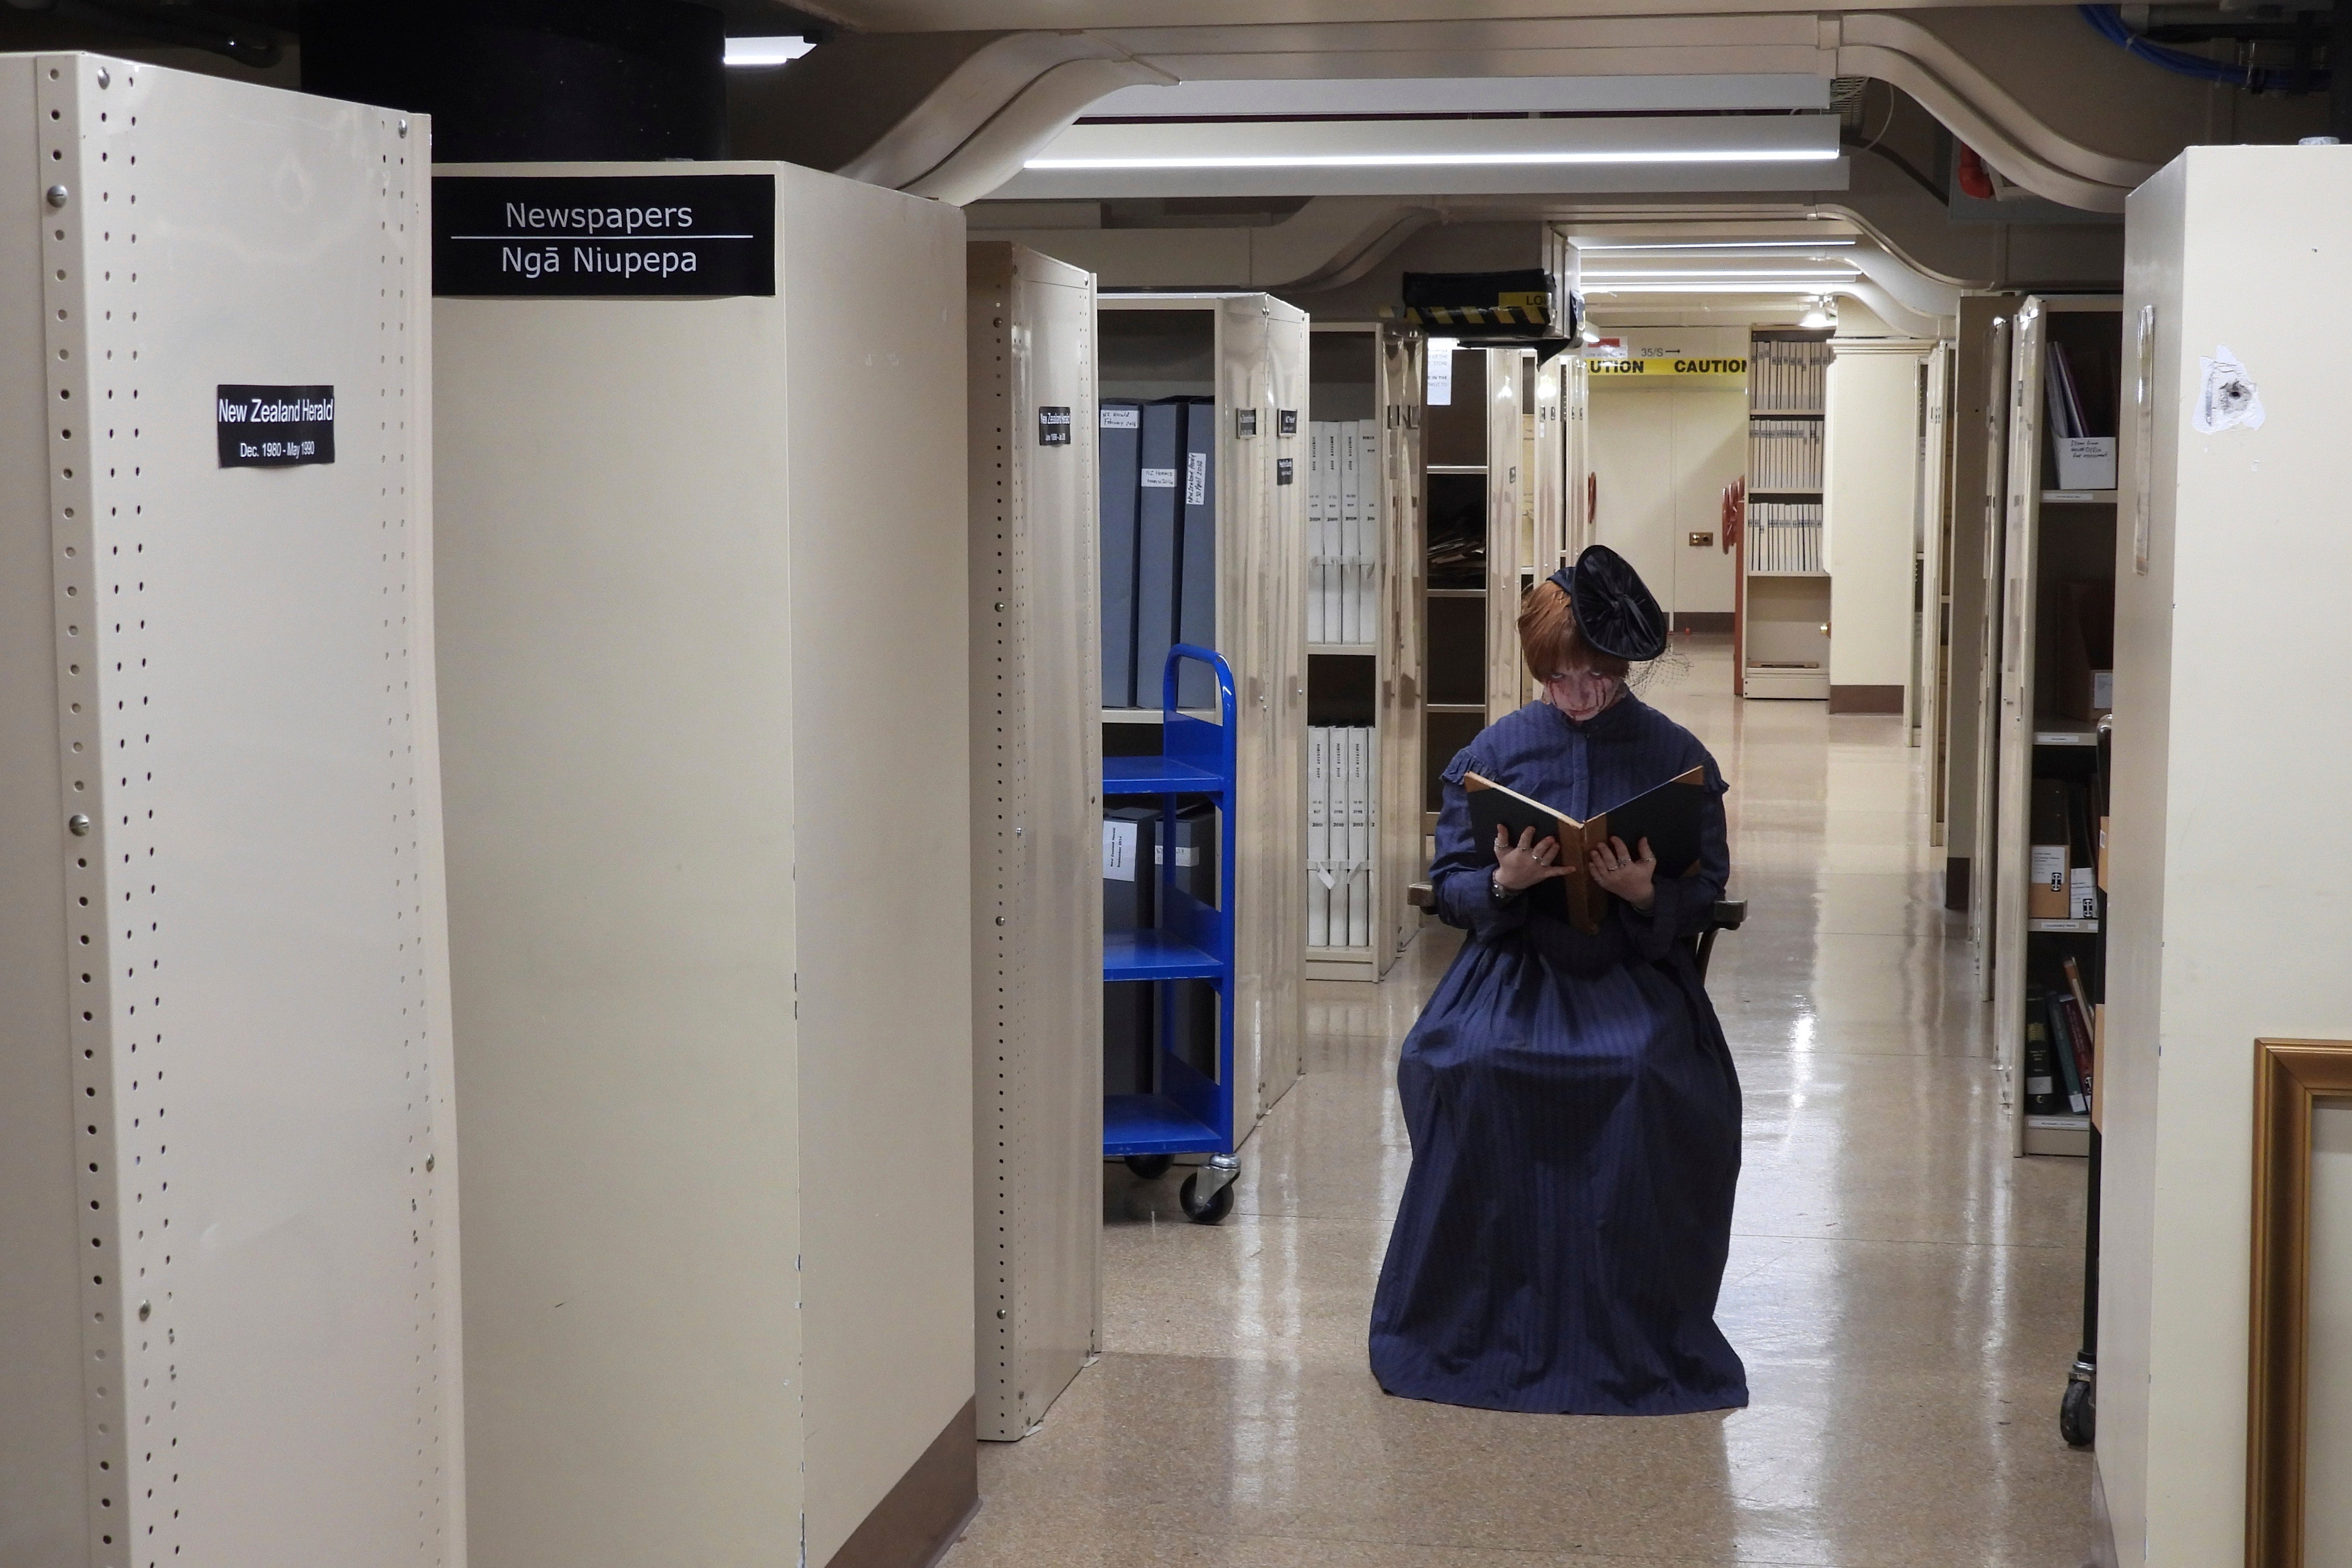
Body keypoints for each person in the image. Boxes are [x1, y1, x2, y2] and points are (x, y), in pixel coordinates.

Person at [1368, 545, 1747, 1416]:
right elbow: (1453, 883)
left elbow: (1707, 888)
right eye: (1561, 680)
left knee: (1646, 1076)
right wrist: (1506, 885)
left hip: (1632, 973)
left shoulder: (1675, 755)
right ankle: (1476, 1325)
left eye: (1596, 680)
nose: (1578, 697)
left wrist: (1646, 892)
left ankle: (1628, 1327)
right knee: (1467, 1066)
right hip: (1516, 969)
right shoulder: (1494, 751)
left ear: (1619, 670)